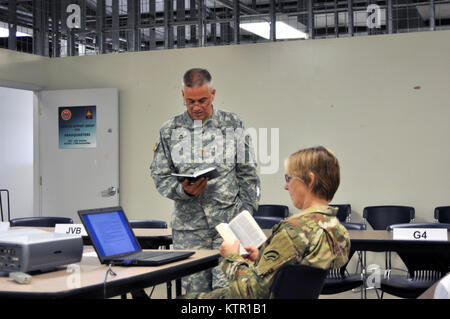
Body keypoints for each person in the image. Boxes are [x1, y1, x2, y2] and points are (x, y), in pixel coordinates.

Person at [184, 146, 351, 299]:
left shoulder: (293, 231)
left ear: (310, 180)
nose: (286, 186)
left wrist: (232, 258)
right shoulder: (337, 230)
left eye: (289, 178)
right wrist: (261, 260)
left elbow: (251, 293)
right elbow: (291, 276)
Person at [150, 68, 261, 293]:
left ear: (213, 94)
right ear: (182, 95)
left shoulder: (232, 124)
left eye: (202, 100)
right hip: (190, 230)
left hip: (230, 225)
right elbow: (160, 177)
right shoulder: (169, 130)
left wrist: (246, 214)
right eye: (190, 101)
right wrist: (184, 190)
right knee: (195, 296)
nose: (196, 107)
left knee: (230, 293)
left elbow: (248, 173)